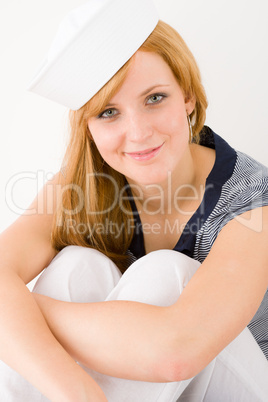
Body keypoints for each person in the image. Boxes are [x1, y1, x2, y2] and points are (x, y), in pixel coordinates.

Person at [0, 0, 267, 401]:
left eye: (155, 98)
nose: (138, 133)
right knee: (77, 267)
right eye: (108, 112)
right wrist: (78, 394)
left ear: (188, 96)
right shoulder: (83, 185)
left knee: (165, 273)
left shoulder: (253, 201)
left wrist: (25, 309)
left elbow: (175, 353)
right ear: (88, 128)